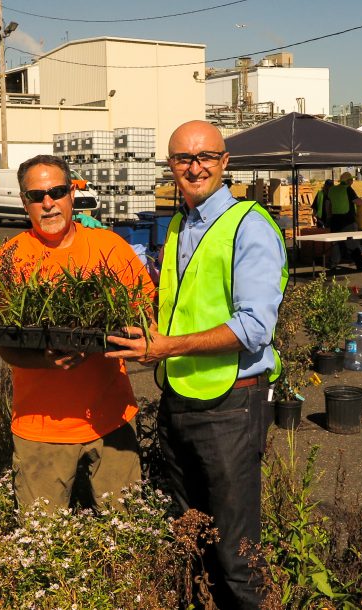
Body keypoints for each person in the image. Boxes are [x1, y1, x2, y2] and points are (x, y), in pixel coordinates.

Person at [105, 121, 288, 609]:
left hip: (231, 403)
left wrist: (166, 347)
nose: (195, 166)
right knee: (193, 539)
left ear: (225, 162)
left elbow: (254, 327)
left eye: (206, 156)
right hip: (181, 399)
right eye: (184, 158)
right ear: (171, 167)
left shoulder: (248, 226)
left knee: (237, 555)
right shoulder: (181, 223)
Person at [0, 154, 154, 511]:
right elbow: (3, 344)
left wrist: (126, 342)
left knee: (128, 533)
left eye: (57, 191)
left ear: (71, 195)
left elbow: (145, 320)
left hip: (110, 422)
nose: (48, 203)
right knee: (42, 544)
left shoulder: (109, 247)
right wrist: (45, 360)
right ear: (24, 202)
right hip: (40, 430)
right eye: (37, 196)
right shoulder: (9, 259)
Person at [328, 171, 362, 271]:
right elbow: (357, 201)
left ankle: (333, 264)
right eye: (351, 180)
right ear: (349, 181)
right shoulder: (348, 189)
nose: (352, 181)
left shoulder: (332, 189)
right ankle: (360, 263)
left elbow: (328, 205)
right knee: (353, 242)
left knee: (335, 243)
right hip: (348, 220)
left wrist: (328, 218)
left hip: (335, 219)